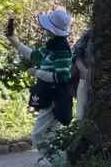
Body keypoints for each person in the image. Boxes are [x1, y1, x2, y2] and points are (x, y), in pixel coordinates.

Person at [5, 9, 73, 165]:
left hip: (55, 98)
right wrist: (13, 40)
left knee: (38, 135)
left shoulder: (62, 49)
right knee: (50, 134)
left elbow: (63, 77)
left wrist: (37, 73)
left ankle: (53, 162)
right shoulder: (53, 46)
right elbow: (34, 55)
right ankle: (57, 161)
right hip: (48, 96)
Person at [72, 29, 93, 119]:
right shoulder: (89, 33)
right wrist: (84, 71)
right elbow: (77, 53)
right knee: (81, 115)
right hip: (84, 78)